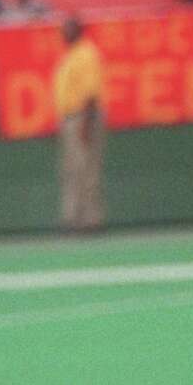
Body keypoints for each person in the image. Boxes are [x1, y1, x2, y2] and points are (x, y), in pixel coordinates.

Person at [54, 16, 106, 231]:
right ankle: (73, 218)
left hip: (83, 117)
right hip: (71, 118)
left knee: (85, 169)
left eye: (66, 29)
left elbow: (90, 93)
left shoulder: (86, 54)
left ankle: (90, 219)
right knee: (72, 169)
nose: (62, 33)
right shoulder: (71, 55)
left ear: (77, 30)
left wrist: (85, 124)